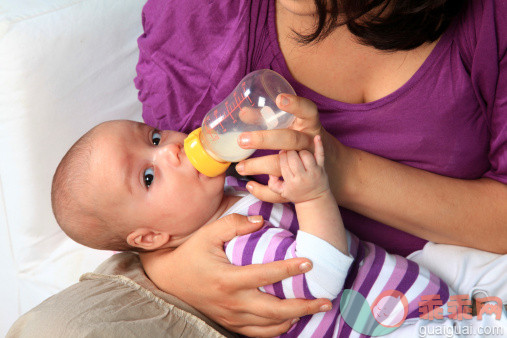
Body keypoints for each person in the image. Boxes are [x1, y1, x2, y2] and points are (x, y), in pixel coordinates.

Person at [134, 0, 506, 335]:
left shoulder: (489, 20)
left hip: (439, 276)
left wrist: (341, 172)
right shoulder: (194, 17)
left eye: (155, 140)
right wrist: (168, 268)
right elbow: (138, 208)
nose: (168, 149)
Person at [52, 119, 464, 337]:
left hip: (410, 288)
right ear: (151, 238)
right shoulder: (236, 246)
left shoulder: (224, 192)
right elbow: (318, 277)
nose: (173, 149)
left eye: (155, 137)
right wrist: (313, 195)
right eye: (147, 177)